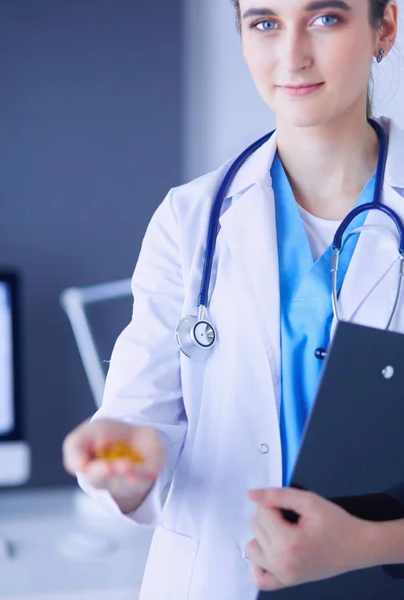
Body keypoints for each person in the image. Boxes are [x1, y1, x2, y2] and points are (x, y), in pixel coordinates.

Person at [63, 0, 404, 598]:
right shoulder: (189, 220)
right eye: (265, 23)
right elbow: (137, 426)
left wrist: (366, 544)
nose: (291, 55)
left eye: (325, 18)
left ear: (385, 27)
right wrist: (128, 461)